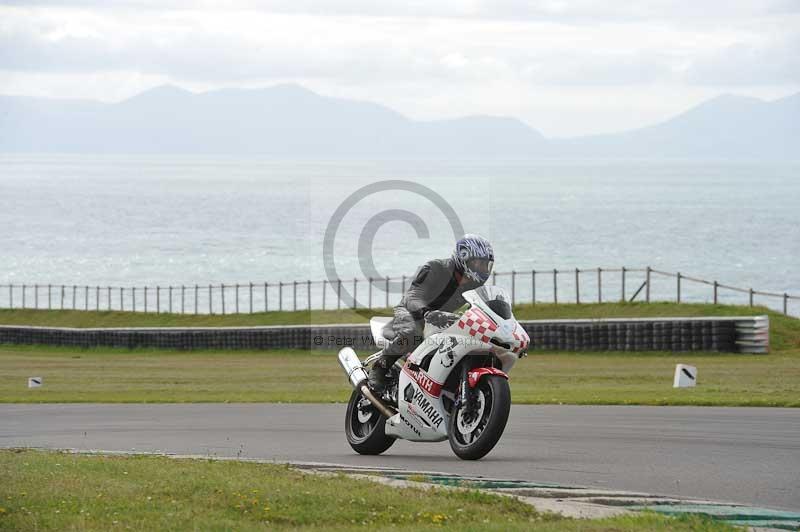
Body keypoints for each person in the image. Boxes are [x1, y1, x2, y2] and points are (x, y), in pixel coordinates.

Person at [368, 234, 494, 391]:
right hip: (411, 312)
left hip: (440, 319)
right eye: (479, 263)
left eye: (486, 265)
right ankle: (379, 368)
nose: (483, 269)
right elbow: (413, 296)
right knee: (412, 333)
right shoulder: (435, 268)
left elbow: (481, 308)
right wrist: (426, 312)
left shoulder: (474, 286)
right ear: (464, 258)